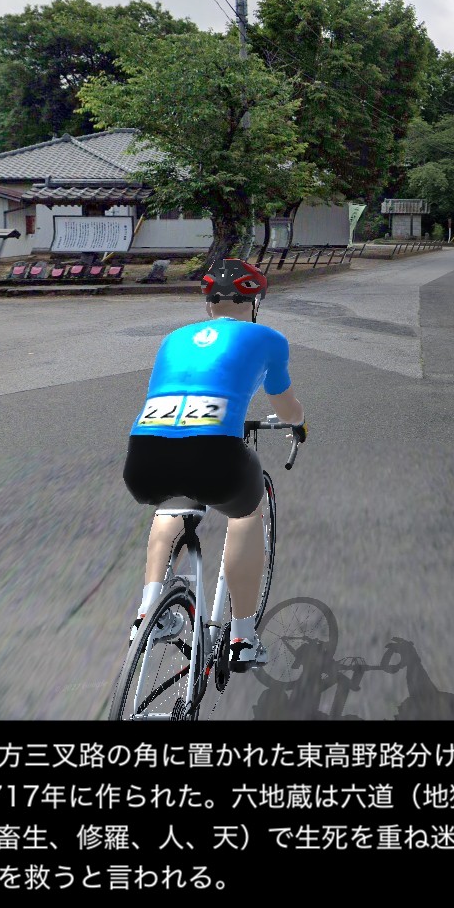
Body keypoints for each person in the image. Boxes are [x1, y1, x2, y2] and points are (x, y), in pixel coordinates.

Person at [122, 258, 306, 670]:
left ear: (209, 304)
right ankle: (243, 637)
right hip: (214, 453)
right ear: (254, 302)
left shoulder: (173, 338)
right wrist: (298, 425)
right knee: (245, 514)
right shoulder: (268, 338)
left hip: (144, 455)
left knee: (171, 503)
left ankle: (148, 610)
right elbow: (286, 406)